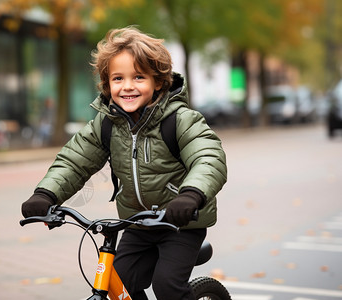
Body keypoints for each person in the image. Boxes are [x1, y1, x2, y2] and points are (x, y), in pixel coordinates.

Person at [21, 26, 227, 300]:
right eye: (118, 78)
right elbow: (74, 161)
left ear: (158, 82)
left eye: (139, 77)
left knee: (167, 287)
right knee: (119, 284)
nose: (127, 86)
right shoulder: (107, 124)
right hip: (136, 225)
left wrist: (191, 195)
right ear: (108, 85)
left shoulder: (180, 120)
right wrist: (45, 193)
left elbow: (208, 157)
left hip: (180, 224)